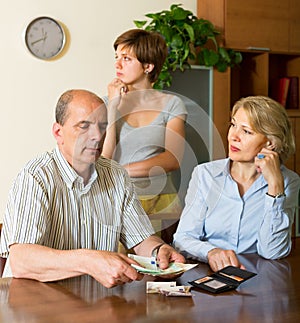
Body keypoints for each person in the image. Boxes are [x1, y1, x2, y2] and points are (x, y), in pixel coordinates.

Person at [0, 89, 185, 287]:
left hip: (95, 303)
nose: (97, 136)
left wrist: (158, 252)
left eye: (103, 126)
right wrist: (88, 261)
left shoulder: (117, 175)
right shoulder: (35, 176)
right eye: (84, 126)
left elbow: (141, 241)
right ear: (58, 132)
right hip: (35, 305)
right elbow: (21, 261)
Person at [173, 95, 300, 272]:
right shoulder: (205, 175)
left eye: (246, 131)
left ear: (269, 143)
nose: (233, 136)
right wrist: (211, 252)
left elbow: (273, 251)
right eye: (233, 125)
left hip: (259, 280)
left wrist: (275, 187)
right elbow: (183, 238)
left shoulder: (288, 181)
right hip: (209, 275)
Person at [101, 29, 187, 221]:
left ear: (148, 66)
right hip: (117, 198)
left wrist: (120, 170)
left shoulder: (172, 104)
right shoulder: (106, 104)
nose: (117, 63)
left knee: (161, 251)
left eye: (126, 58)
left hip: (162, 200)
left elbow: (172, 159)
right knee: (116, 252)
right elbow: (103, 159)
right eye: (117, 57)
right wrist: (113, 109)